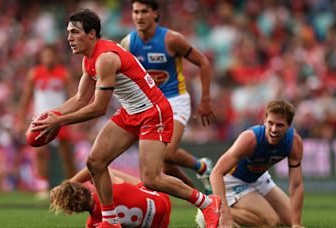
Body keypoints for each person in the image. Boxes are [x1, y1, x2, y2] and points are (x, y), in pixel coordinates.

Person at [31, 9, 221, 228]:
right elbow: (81, 99)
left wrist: (59, 121)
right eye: (68, 33)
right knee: (95, 162)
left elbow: (98, 108)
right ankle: (111, 222)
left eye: (74, 32)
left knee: (151, 179)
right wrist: (52, 115)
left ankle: (207, 203)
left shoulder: (106, 59)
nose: (69, 38)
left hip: (153, 113)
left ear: (92, 34)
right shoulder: (89, 60)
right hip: (131, 112)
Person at [121, 0, 215, 194]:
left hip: (175, 100)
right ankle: (203, 201)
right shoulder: (128, 43)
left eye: (144, 11)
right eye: (135, 12)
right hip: (149, 105)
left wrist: (205, 100)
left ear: (155, 14)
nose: (139, 16)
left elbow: (203, 62)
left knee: (168, 153)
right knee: (166, 166)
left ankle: (202, 167)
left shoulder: (171, 39)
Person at [209, 100, 304, 228]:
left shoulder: (294, 142)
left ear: (289, 125)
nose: (274, 129)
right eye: (270, 123)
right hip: (233, 181)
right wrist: (224, 211)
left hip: (260, 178)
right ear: (265, 120)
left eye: (280, 125)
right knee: (271, 222)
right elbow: (216, 172)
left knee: (290, 220)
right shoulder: (250, 139)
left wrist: (296, 224)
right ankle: (211, 209)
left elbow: (296, 185)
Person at [18, 44, 77, 199]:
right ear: (41, 57)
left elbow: (74, 95)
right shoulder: (35, 73)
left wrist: (75, 119)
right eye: (45, 55)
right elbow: (26, 97)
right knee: (39, 153)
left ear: (56, 56)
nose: (48, 58)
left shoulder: (64, 73)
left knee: (66, 154)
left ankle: (73, 184)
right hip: (40, 119)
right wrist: (21, 118)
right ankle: (42, 186)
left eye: (51, 55)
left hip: (59, 117)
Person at [50, 168, 171, 228]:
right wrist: (65, 185)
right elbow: (93, 167)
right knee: (102, 171)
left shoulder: (92, 224)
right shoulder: (111, 188)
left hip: (159, 226)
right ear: (84, 189)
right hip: (162, 202)